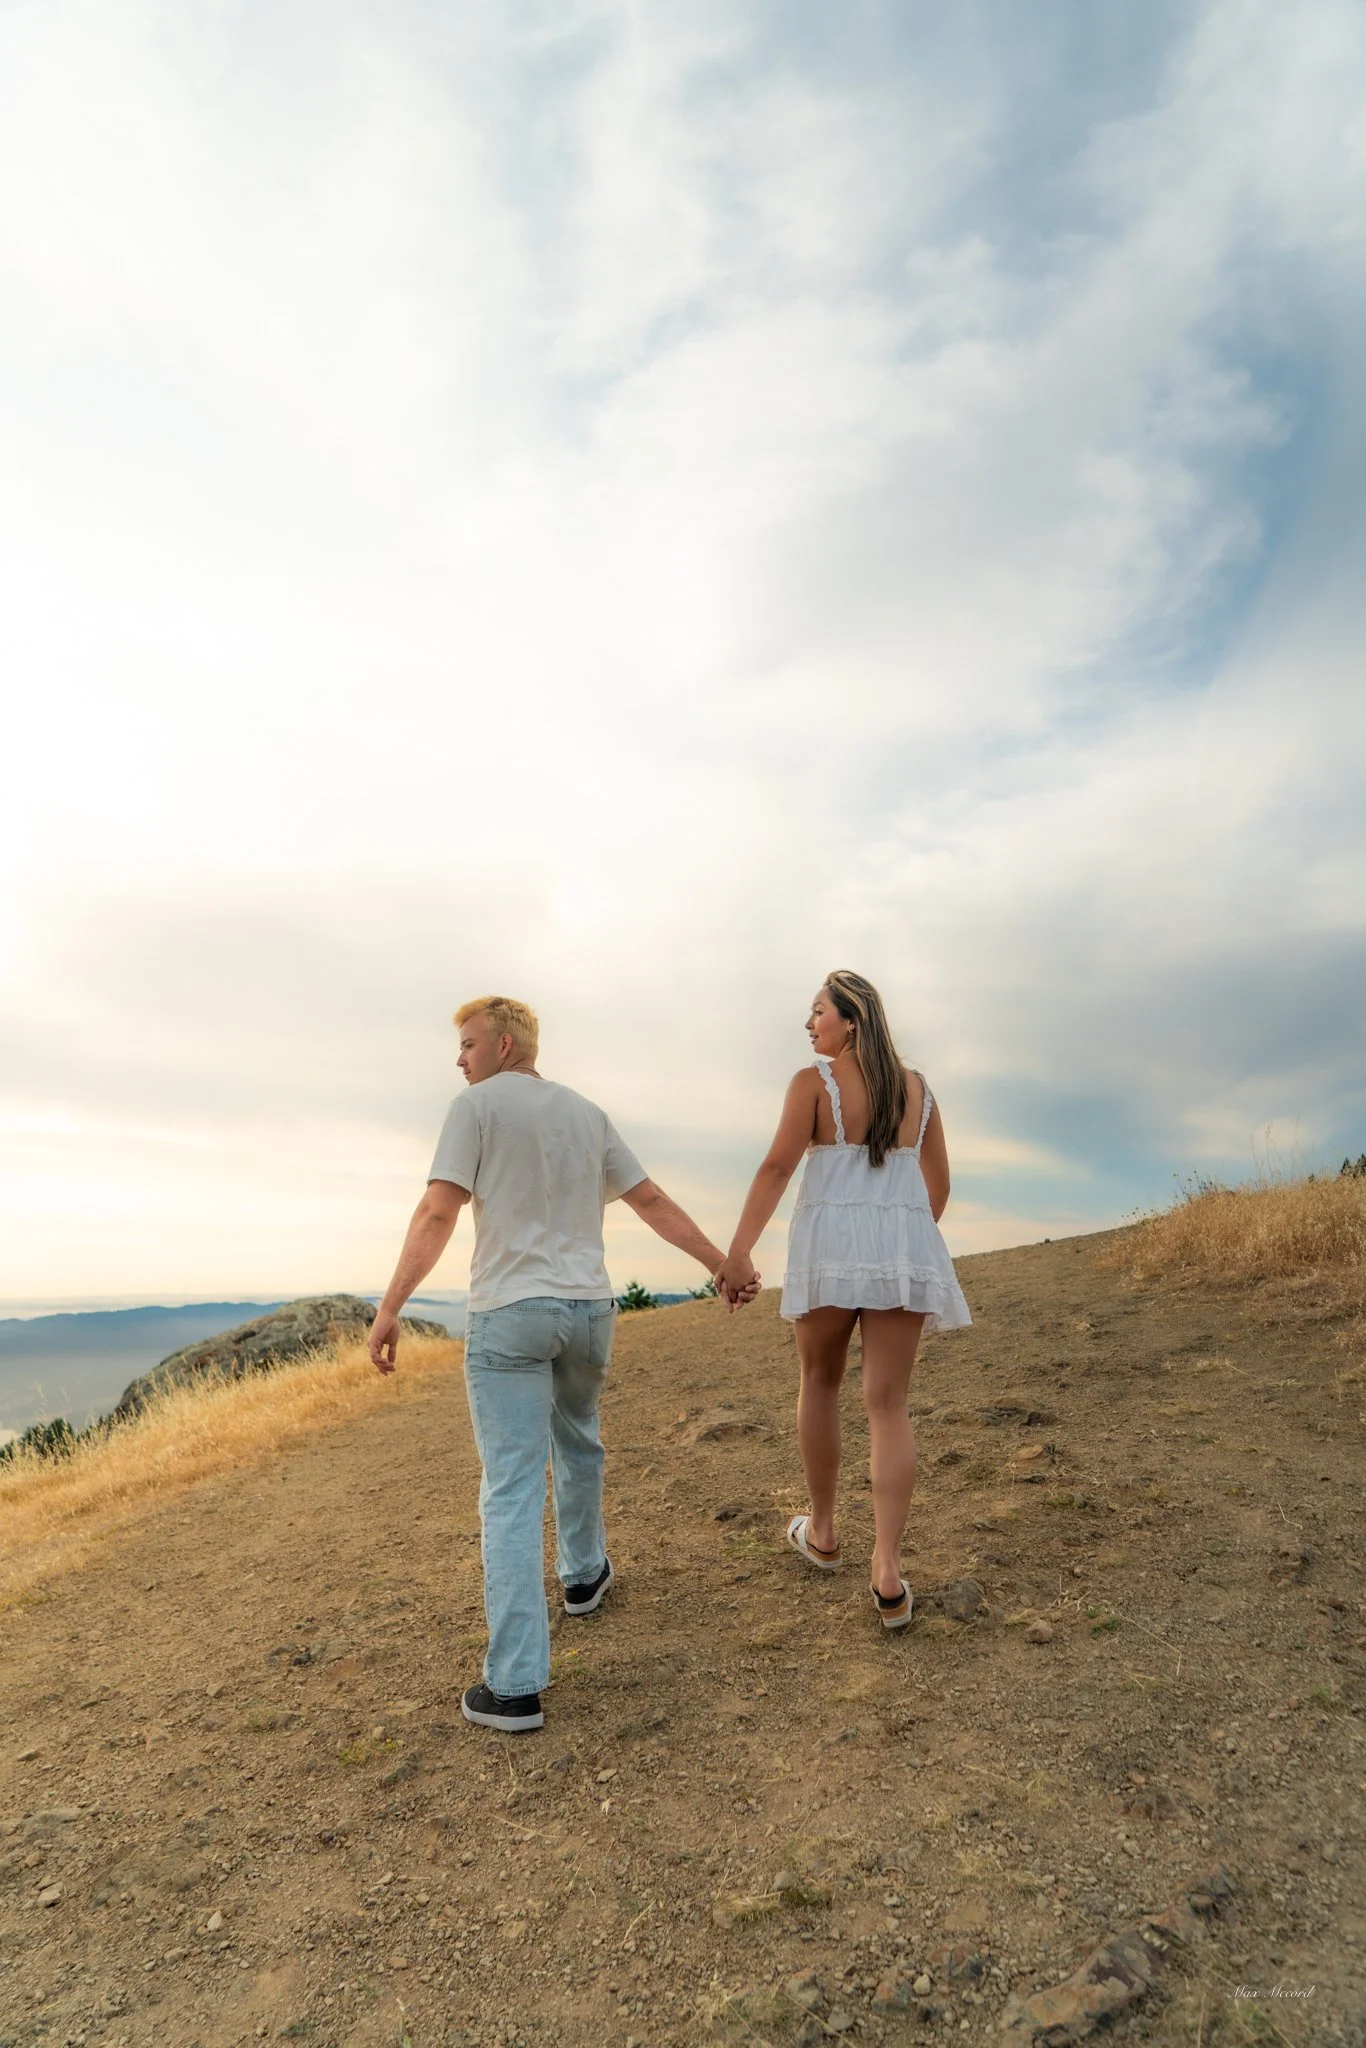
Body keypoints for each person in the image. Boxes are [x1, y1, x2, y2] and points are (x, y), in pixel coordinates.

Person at [369, 995, 751, 1734]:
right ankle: (583, 1576)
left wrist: (390, 1307)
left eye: (469, 1043)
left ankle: (513, 1687)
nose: (460, 1059)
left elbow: (437, 1212)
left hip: (513, 1312)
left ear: (506, 1045)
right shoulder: (586, 1112)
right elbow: (651, 1198)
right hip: (587, 1312)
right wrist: (720, 1266)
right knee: (578, 1440)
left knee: (510, 1487)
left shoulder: (475, 1109)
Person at [716, 971, 970, 1630]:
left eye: (818, 1012)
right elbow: (937, 1185)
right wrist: (903, 1234)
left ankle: (824, 1531)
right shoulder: (921, 1092)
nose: (810, 1024)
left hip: (830, 1243)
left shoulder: (813, 1084)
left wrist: (739, 1250)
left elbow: (776, 1168)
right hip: (900, 1247)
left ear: (851, 1020)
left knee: (819, 1380)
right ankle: (888, 1569)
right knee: (888, 1405)